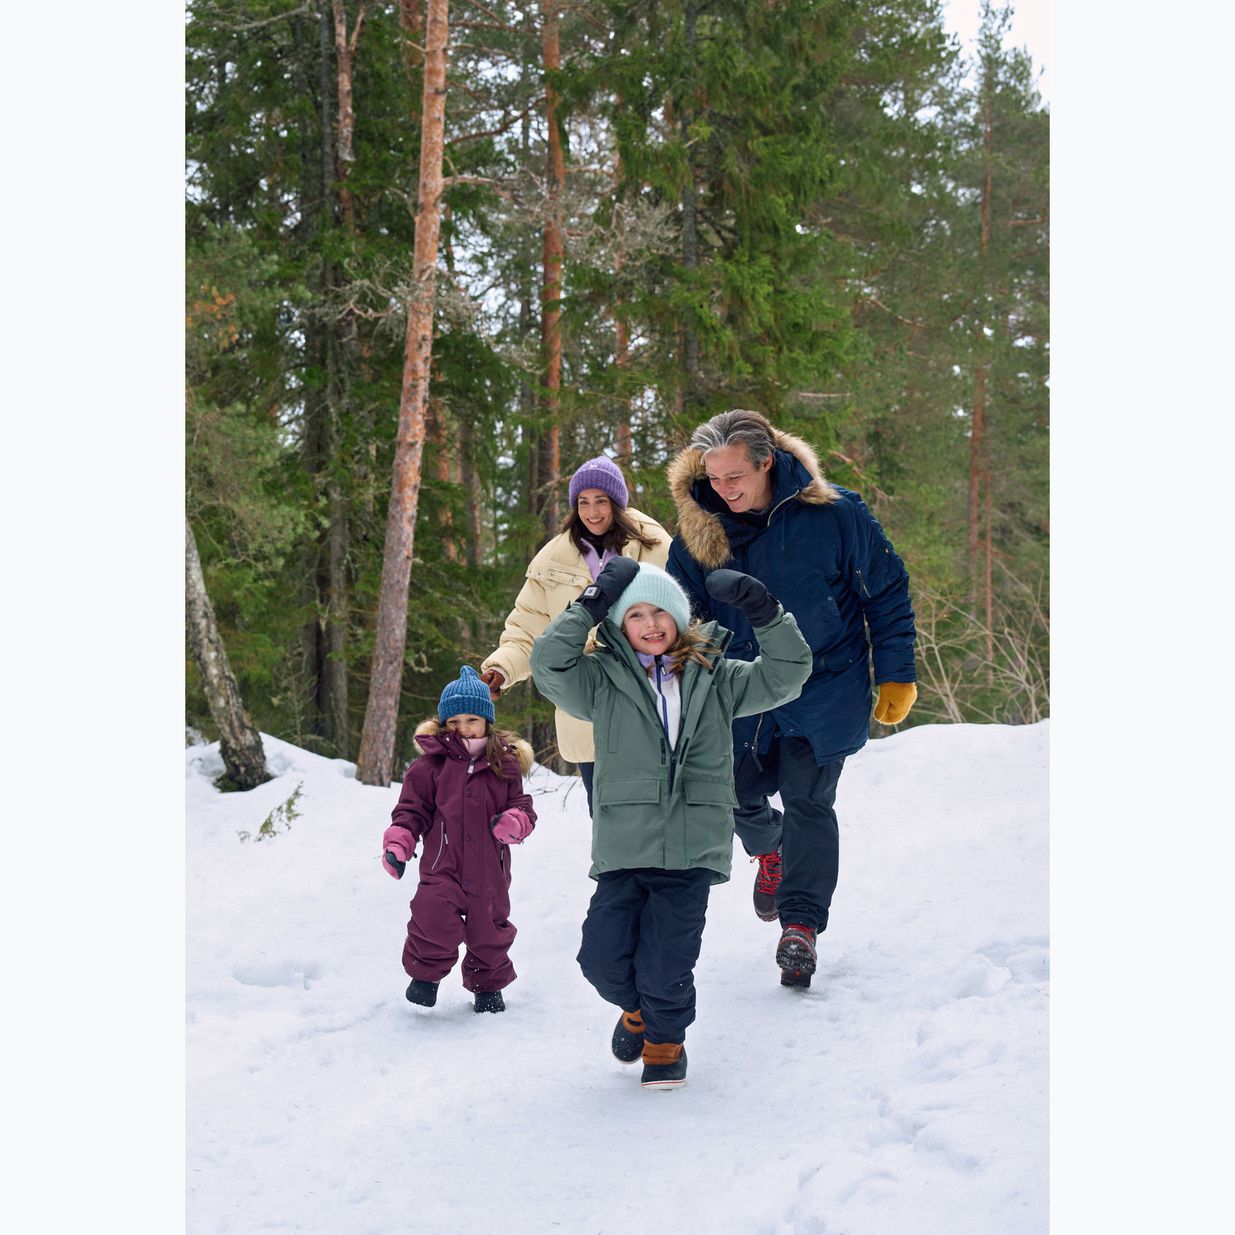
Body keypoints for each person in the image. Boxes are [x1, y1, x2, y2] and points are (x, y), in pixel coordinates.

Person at [531, 558, 811, 1088]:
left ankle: (665, 1043)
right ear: (619, 625)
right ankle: (636, 1012)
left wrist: (766, 613)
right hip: (623, 844)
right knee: (601, 959)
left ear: (680, 618)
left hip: (690, 848)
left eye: (661, 610)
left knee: (667, 963)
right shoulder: (600, 679)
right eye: (635, 613)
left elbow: (787, 674)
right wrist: (589, 603)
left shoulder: (716, 675)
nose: (651, 622)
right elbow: (549, 665)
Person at [665, 410, 917, 990]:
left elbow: (885, 589)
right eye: (714, 478)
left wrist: (896, 673)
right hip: (740, 692)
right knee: (731, 794)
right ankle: (769, 849)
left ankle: (799, 926)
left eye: (735, 478)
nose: (723, 491)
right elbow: (678, 614)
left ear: (766, 462)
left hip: (823, 686)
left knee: (809, 802)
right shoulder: (699, 531)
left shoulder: (835, 515)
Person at [478, 456, 671, 814]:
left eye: (601, 501)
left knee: (657, 817)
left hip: (649, 705)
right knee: (607, 819)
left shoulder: (655, 547)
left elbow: (685, 618)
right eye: (583, 502)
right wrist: (501, 671)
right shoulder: (552, 561)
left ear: (617, 502)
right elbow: (527, 631)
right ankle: (614, 874)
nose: (593, 512)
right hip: (589, 710)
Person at [381, 665, 537, 1014]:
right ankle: (425, 976)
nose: (463, 729)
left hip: (489, 870)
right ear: (443, 724)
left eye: (471, 720)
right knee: (431, 915)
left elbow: (522, 806)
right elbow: (410, 810)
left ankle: (488, 985)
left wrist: (516, 822)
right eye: (454, 722)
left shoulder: (504, 766)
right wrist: (399, 843)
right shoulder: (429, 767)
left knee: (489, 927)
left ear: (486, 721)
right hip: (442, 865)